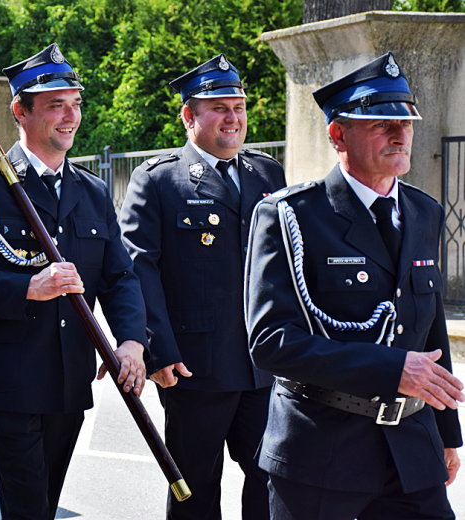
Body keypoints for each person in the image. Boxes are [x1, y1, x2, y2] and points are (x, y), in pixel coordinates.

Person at [0, 43, 147, 520]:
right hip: (10, 380)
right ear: (20, 112)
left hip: (70, 382)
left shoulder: (91, 190)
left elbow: (119, 277)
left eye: (75, 103)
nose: (70, 116)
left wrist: (132, 341)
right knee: (27, 506)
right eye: (55, 105)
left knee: (43, 506)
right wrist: (27, 287)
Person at [245, 52, 464, 519]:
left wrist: (446, 434)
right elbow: (271, 343)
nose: (400, 132)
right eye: (380, 123)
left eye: (405, 121)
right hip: (322, 449)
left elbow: (430, 331)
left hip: (410, 448)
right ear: (338, 134)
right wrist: (390, 369)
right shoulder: (292, 217)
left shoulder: (424, 212)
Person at [119, 54, 285, 520]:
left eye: (239, 106)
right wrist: (158, 349)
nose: (233, 118)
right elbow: (138, 268)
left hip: (264, 366)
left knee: (273, 483)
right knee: (194, 489)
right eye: (220, 108)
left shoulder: (267, 174)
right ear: (190, 116)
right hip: (195, 367)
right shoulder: (158, 179)